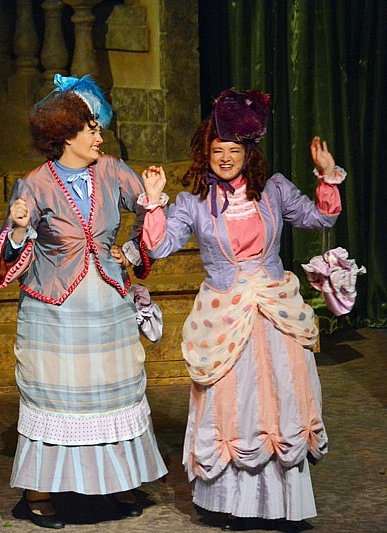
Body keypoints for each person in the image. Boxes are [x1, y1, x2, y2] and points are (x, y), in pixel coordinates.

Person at [139, 89, 338, 529]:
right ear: (204, 154)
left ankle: (282, 505)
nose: (224, 158)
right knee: (233, 404)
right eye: (217, 150)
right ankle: (231, 503)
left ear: (249, 152)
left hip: (275, 312)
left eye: (233, 150)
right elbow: (158, 245)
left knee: (280, 398)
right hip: (226, 317)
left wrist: (327, 178)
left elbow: (320, 220)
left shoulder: (276, 191)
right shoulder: (192, 204)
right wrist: (153, 200)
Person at [0, 75, 167, 529]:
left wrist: (136, 235)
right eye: (90, 128)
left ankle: (121, 482)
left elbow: (148, 220)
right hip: (55, 310)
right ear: (64, 134)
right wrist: (16, 228)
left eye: (97, 127)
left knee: (112, 392)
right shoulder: (33, 183)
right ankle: (38, 492)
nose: (98, 135)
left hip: (107, 304)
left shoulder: (111, 169)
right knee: (57, 399)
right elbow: (11, 254)